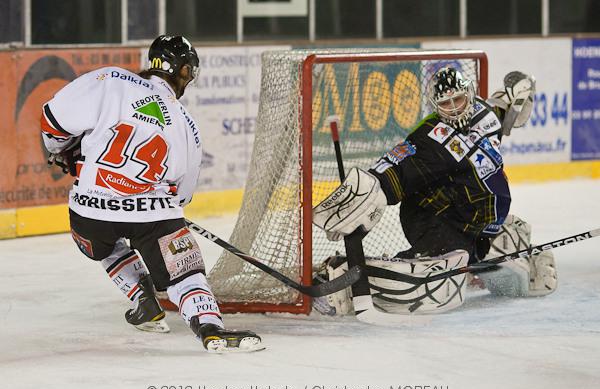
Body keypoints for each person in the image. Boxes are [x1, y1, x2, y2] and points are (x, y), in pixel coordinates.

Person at [41, 35, 263, 353]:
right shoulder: (187, 124)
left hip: (90, 215)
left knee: (106, 248)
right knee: (185, 271)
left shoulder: (110, 79)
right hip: (154, 215)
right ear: (185, 72)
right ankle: (211, 328)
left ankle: (142, 297)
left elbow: (52, 122)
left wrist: (60, 151)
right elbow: (181, 196)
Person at [313, 67, 557, 314]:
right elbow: (398, 165)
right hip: (434, 217)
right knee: (446, 269)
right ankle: (341, 276)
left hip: (472, 223)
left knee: (490, 252)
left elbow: (504, 106)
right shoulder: (431, 137)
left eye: (458, 100)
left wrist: (520, 93)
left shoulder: (486, 114)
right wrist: (368, 191)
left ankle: (480, 255)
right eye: (445, 103)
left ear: (469, 95)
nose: (453, 109)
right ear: (435, 105)